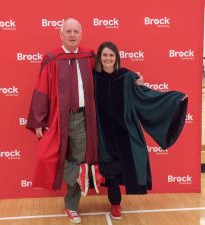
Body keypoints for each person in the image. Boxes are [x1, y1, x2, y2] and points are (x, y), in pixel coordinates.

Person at [93, 41, 188, 220]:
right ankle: (115, 204)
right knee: (110, 169)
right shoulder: (93, 78)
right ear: (99, 58)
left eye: (111, 55)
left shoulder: (127, 77)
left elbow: (145, 96)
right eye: (104, 55)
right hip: (103, 133)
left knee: (128, 162)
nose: (108, 59)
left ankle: (118, 200)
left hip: (125, 132)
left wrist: (175, 99)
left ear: (116, 58)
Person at [26, 18, 101, 224]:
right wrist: (39, 120)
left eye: (76, 31)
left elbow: (108, 75)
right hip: (58, 118)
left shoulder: (89, 56)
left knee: (77, 157)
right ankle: (79, 172)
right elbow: (41, 90)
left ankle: (71, 206)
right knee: (48, 157)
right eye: (68, 31)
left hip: (82, 117)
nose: (72, 34)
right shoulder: (52, 58)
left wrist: (132, 77)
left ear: (81, 34)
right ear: (61, 35)